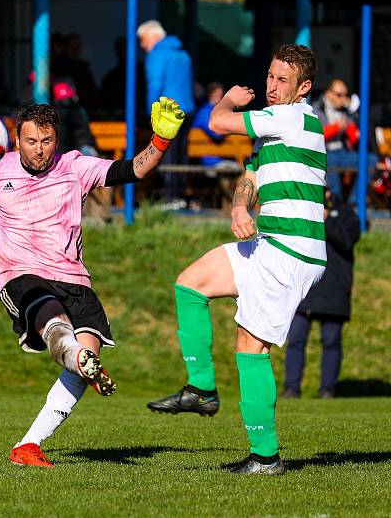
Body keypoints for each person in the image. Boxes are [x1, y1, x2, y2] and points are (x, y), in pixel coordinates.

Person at [0, 99, 186, 467]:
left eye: (47, 140)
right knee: (53, 321)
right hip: (20, 275)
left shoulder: (75, 167)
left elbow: (134, 170)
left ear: (56, 139)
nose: (39, 149)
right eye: (31, 141)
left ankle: (28, 445)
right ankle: (71, 353)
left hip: (72, 276)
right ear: (17, 140)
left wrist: (161, 139)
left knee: (87, 359)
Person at [146, 44, 326, 475]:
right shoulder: (273, 129)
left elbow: (217, 122)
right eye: (270, 75)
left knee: (250, 345)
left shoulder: (294, 115)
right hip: (270, 242)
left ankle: (265, 458)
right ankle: (202, 388)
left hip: (291, 249)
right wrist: (240, 208)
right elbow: (250, 178)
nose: (272, 85)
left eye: (283, 80)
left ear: (304, 87)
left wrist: (226, 97)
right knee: (190, 283)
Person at [283, 189, 361, 399]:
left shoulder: (346, 214)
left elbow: (347, 241)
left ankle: (327, 390)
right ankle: (291, 389)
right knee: (296, 339)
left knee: (331, 341)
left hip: (334, 289)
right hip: (304, 288)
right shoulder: (301, 211)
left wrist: (325, 221)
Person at [138, 20, 196, 203]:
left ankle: (171, 197)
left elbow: (154, 85)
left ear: (154, 37)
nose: (142, 45)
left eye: (143, 39)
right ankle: (179, 194)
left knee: (166, 152)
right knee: (181, 152)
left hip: (168, 112)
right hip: (187, 109)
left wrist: (151, 113)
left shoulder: (157, 56)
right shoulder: (183, 54)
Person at [191, 82, 226, 169]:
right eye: (218, 95)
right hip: (208, 159)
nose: (220, 98)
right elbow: (216, 132)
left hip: (216, 157)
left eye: (221, 95)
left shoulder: (210, 111)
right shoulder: (205, 112)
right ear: (211, 95)